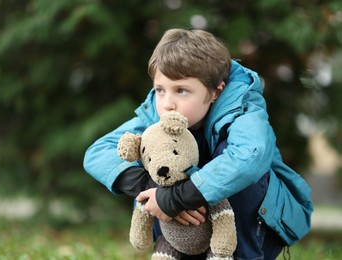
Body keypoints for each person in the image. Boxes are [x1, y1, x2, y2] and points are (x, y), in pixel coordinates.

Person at [83, 28, 313, 259]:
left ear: (215, 92)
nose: (167, 104)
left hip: (252, 232)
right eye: (160, 90)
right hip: (187, 234)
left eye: (181, 90)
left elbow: (250, 155)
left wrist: (180, 196)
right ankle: (172, 252)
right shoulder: (156, 116)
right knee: (155, 156)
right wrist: (152, 188)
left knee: (234, 163)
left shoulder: (243, 112)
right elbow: (98, 152)